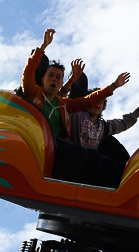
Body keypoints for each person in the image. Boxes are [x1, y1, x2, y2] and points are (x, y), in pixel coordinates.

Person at [21, 29, 131, 186]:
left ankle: (87, 191)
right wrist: (43, 46)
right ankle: (53, 185)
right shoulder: (33, 93)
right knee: (78, 152)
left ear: (61, 82)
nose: (54, 79)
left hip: (53, 144)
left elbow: (87, 101)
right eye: (50, 75)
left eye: (58, 77)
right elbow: (28, 73)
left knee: (94, 157)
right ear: (42, 79)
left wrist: (114, 86)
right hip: (36, 142)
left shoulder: (62, 104)